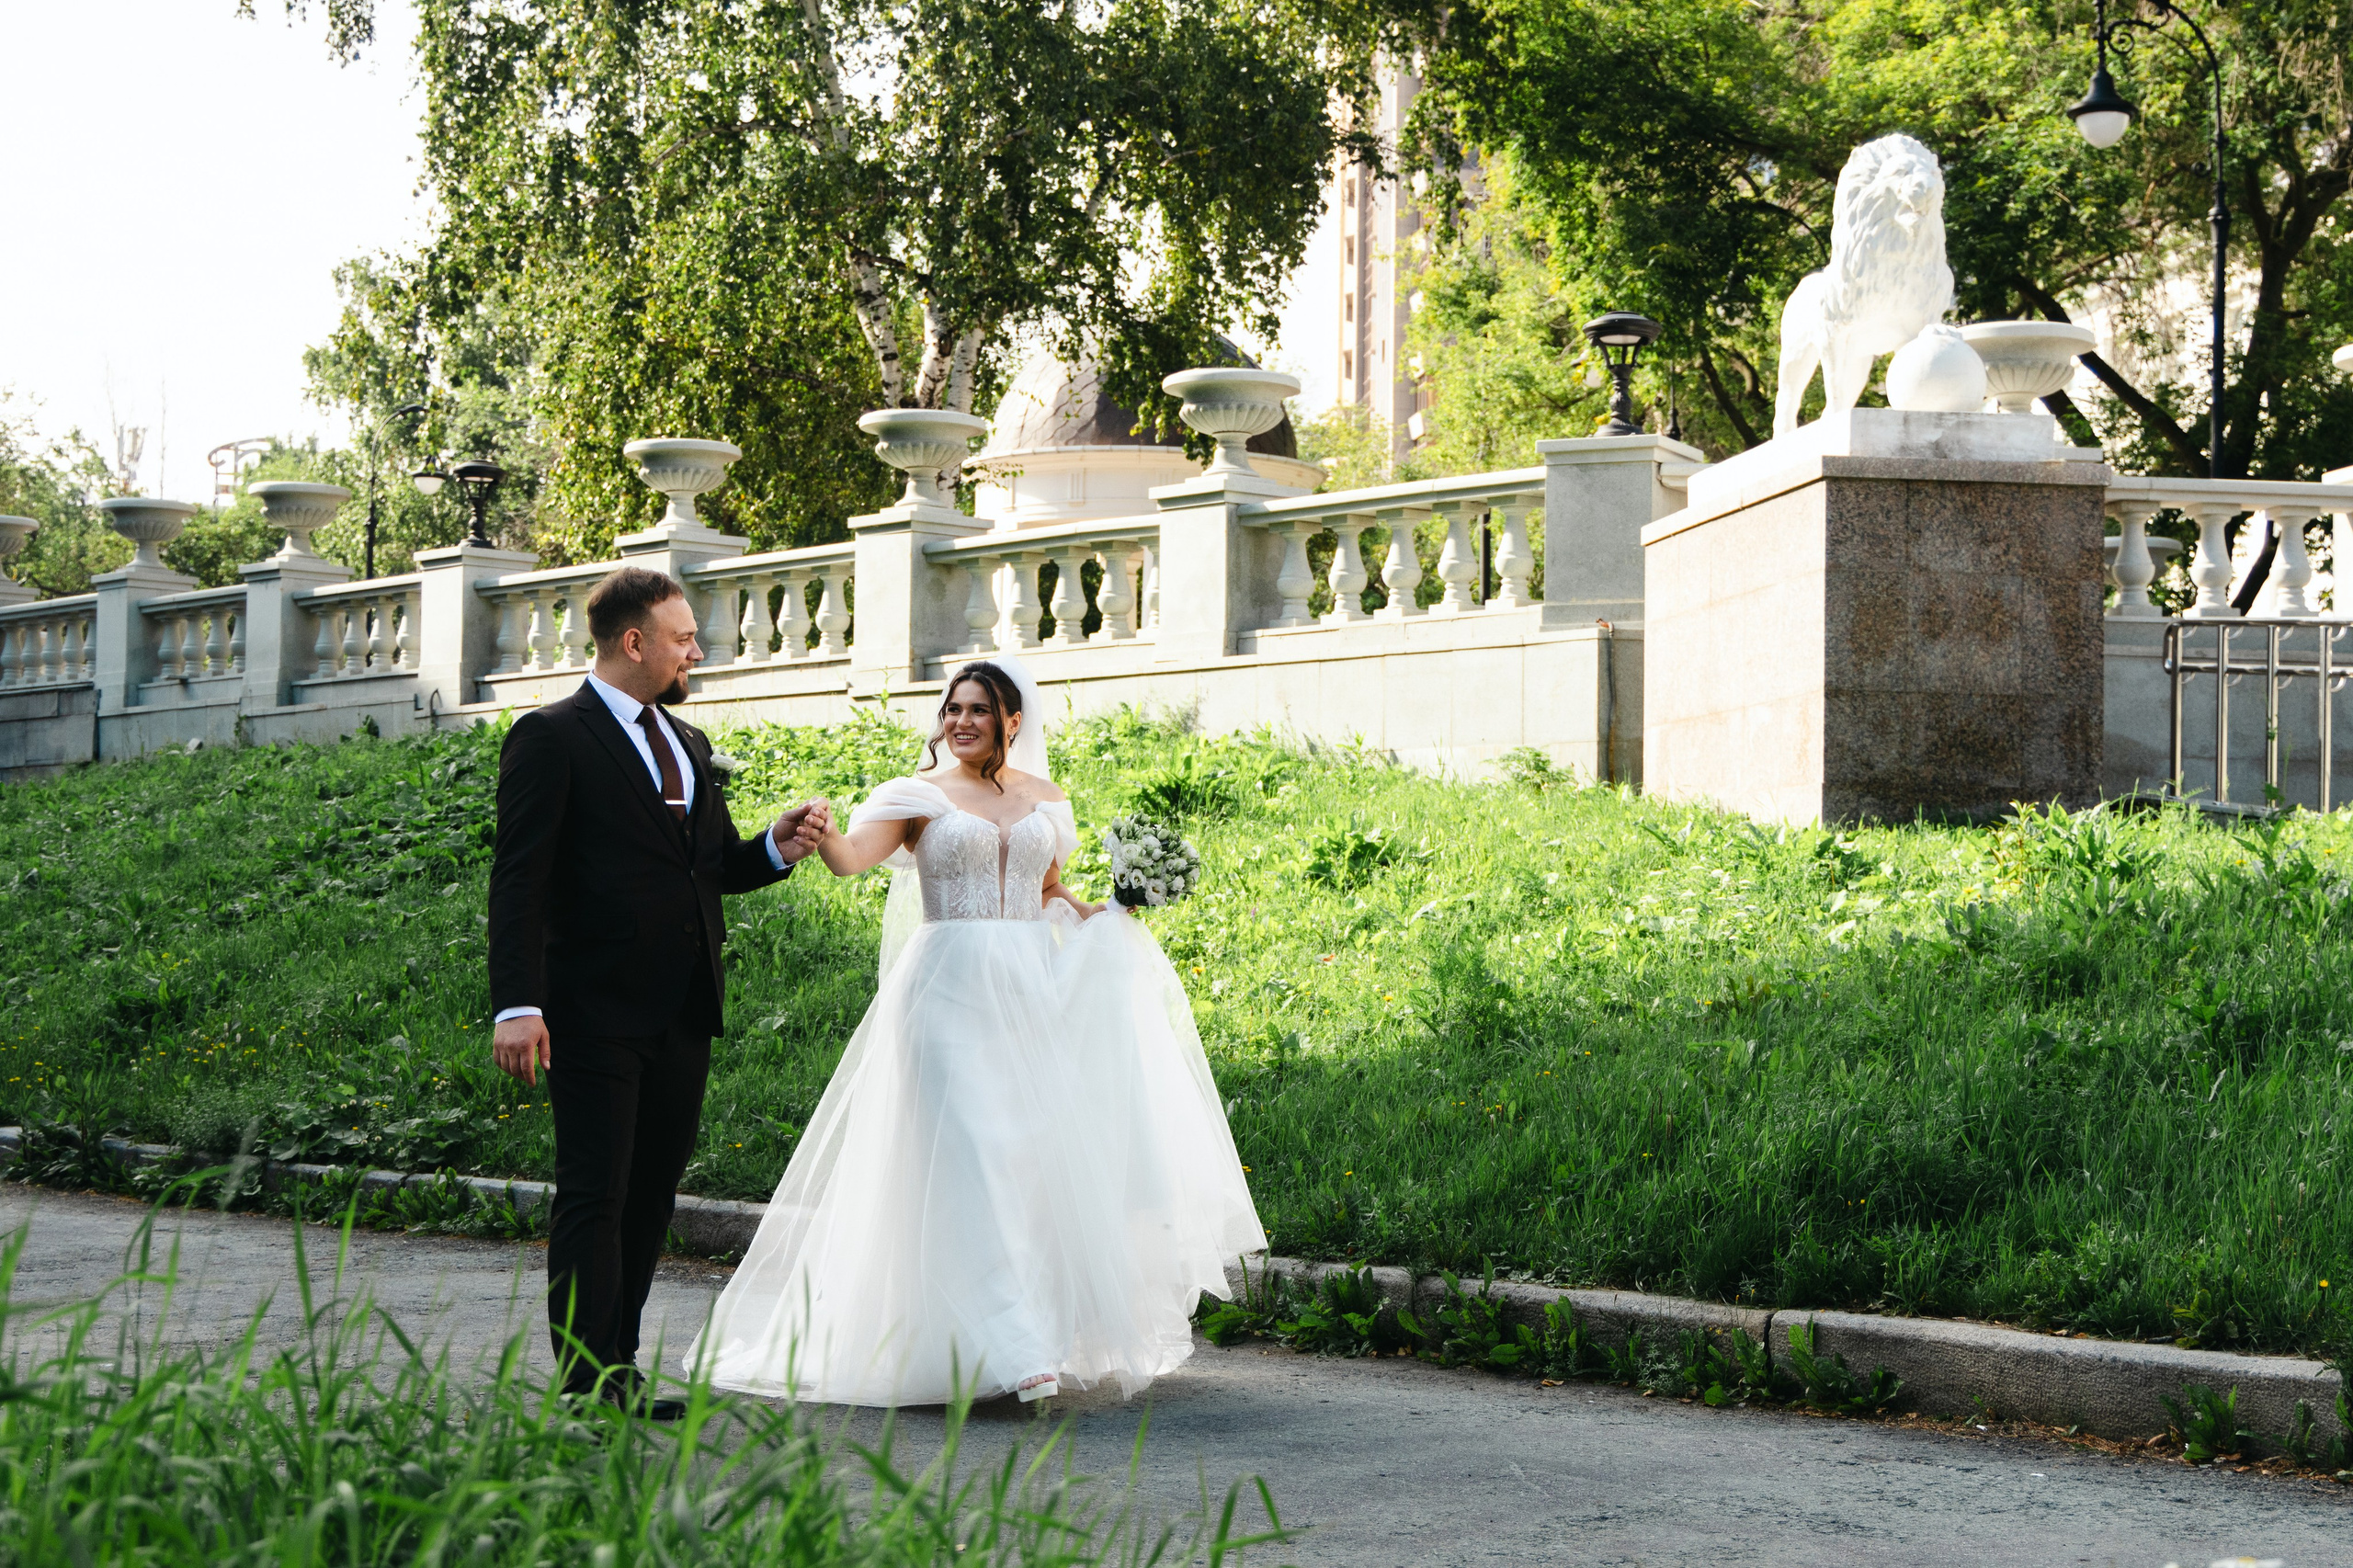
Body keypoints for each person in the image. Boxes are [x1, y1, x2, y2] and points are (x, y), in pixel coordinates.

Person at [688, 657, 1263, 1406]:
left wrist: (1114, 910)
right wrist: (819, 833)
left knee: (1022, 1157)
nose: (959, 722)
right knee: (971, 1151)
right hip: (945, 992)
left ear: (1012, 723)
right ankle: (1014, 1347)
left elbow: (1049, 891)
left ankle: (1006, 1332)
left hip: (1029, 993)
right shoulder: (913, 795)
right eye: (951, 709)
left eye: (978, 711)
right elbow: (854, 860)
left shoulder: (1046, 802)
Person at [487, 564, 831, 1418]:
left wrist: (774, 848)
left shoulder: (685, 741)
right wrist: (517, 1004)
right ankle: (582, 1382)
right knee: (595, 1192)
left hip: (683, 1011)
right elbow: (518, 881)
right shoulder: (551, 736)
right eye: (682, 639)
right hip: (590, 1010)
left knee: (648, 1197)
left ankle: (619, 1369)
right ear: (634, 642)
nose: (695, 652)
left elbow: (707, 869)